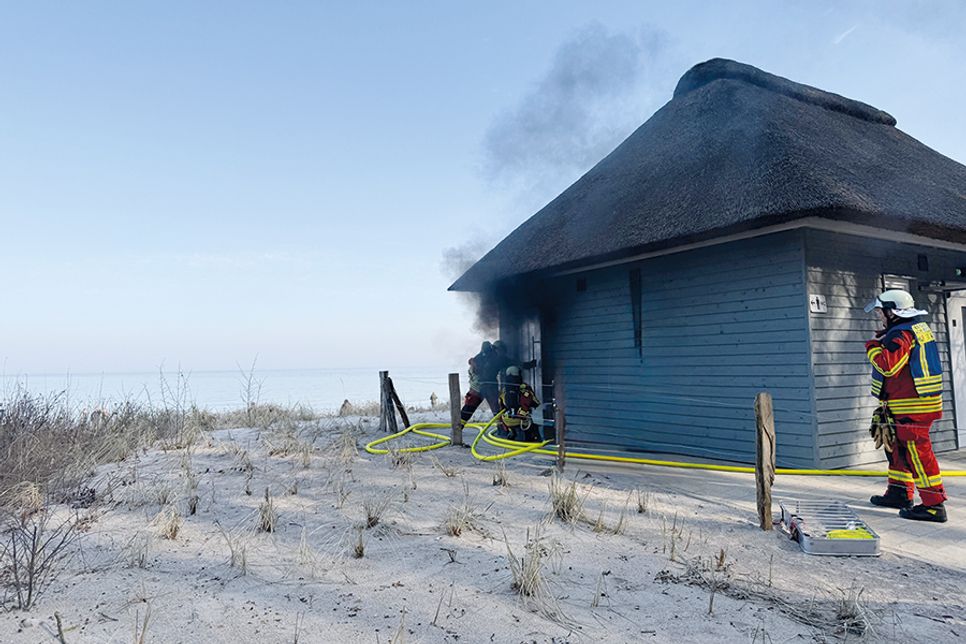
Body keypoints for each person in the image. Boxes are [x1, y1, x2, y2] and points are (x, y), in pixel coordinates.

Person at [865, 289, 948, 522]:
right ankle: (899, 493)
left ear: (893, 312)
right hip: (910, 403)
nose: (880, 316)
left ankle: (933, 504)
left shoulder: (900, 335)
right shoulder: (916, 328)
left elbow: (888, 366)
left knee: (917, 454)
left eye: (882, 312)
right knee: (896, 448)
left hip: (911, 408)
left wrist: (872, 346)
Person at [459, 341, 499, 428]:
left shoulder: (477, 358)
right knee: (496, 409)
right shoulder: (494, 358)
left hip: (476, 388)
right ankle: (502, 428)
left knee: (469, 408)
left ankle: (458, 427)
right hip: (488, 387)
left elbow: (472, 372)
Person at [496, 366, 541, 441]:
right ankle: (534, 439)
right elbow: (536, 403)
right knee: (533, 425)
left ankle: (511, 433)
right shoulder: (525, 389)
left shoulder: (504, 390)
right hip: (521, 420)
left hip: (507, 421)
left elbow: (500, 405)